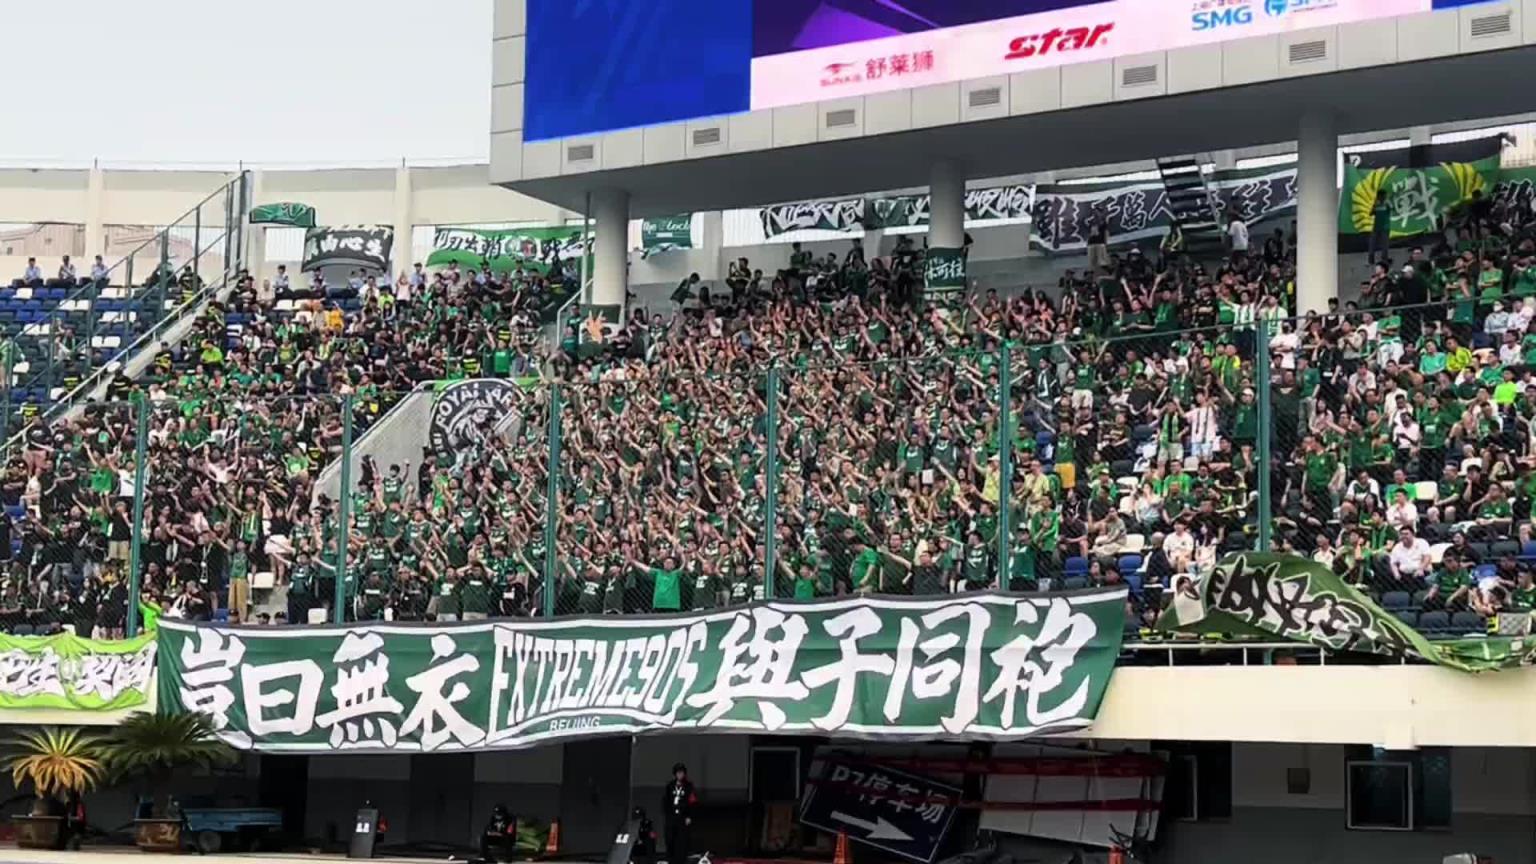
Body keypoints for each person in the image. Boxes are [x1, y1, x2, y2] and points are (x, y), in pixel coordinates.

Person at [662, 762, 696, 864]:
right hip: (671, 818)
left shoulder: (689, 786)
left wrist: (689, 816)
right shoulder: (670, 786)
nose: (680, 775)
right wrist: (667, 814)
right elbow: (666, 801)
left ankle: (681, 861)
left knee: (682, 842)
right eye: (678, 773)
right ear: (675, 774)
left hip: (683, 818)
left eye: (681, 773)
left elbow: (692, 802)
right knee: (670, 840)